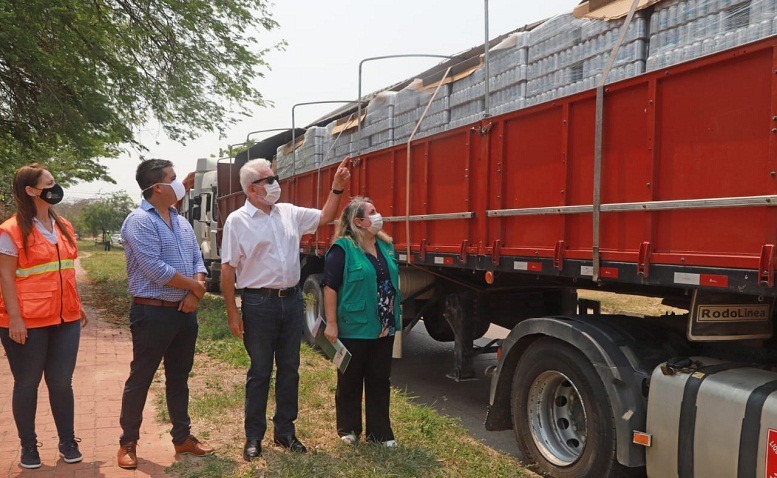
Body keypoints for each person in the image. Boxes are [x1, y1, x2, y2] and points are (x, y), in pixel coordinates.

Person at [221, 156, 350, 460]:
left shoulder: (288, 213)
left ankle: (285, 431)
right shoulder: (237, 221)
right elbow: (228, 270)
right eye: (268, 180)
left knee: (290, 369)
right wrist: (232, 312)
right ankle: (254, 436)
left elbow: (327, 217)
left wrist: (337, 188)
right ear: (252, 189)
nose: (274, 184)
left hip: (291, 300)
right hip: (258, 303)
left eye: (273, 178)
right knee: (260, 371)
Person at [116, 159, 213, 469]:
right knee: (141, 378)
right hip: (151, 313)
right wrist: (196, 289)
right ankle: (127, 442)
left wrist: (193, 294)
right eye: (173, 178)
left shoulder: (181, 221)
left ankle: (182, 438)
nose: (180, 183)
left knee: (179, 378)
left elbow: (198, 259)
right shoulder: (138, 221)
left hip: (185, 313)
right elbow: (156, 270)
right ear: (157, 187)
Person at [0, 163, 88, 469]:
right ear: (30, 190)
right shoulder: (11, 230)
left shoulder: (62, 225)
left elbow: (65, 273)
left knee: (62, 382)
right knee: (27, 383)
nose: (55, 187)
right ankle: (28, 446)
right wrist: (14, 318)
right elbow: (6, 278)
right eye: (48, 183)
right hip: (28, 321)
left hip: (66, 320)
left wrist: (78, 306)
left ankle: (67, 441)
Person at [322, 197, 400, 448]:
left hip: (384, 325)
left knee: (380, 379)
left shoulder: (386, 246)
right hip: (353, 325)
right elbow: (330, 287)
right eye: (372, 212)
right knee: (350, 379)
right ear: (358, 221)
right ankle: (348, 428)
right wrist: (331, 323)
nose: (378, 216)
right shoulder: (342, 248)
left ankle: (380, 432)